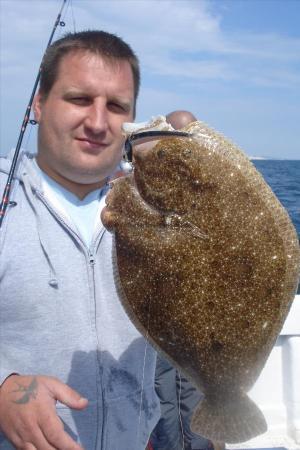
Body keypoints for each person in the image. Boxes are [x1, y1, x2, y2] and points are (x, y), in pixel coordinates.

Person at [0, 30, 161, 450]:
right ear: (38, 104)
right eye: (78, 99)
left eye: (116, 107)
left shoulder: (160, 211)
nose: (96, 122)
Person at [150, 111, 215, 450]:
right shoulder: (146, 182)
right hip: (157, 311)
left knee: (196, 391)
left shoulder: (214, 187)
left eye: (188, 133)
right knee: (163, 391)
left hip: (201, 315)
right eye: (174, 133)